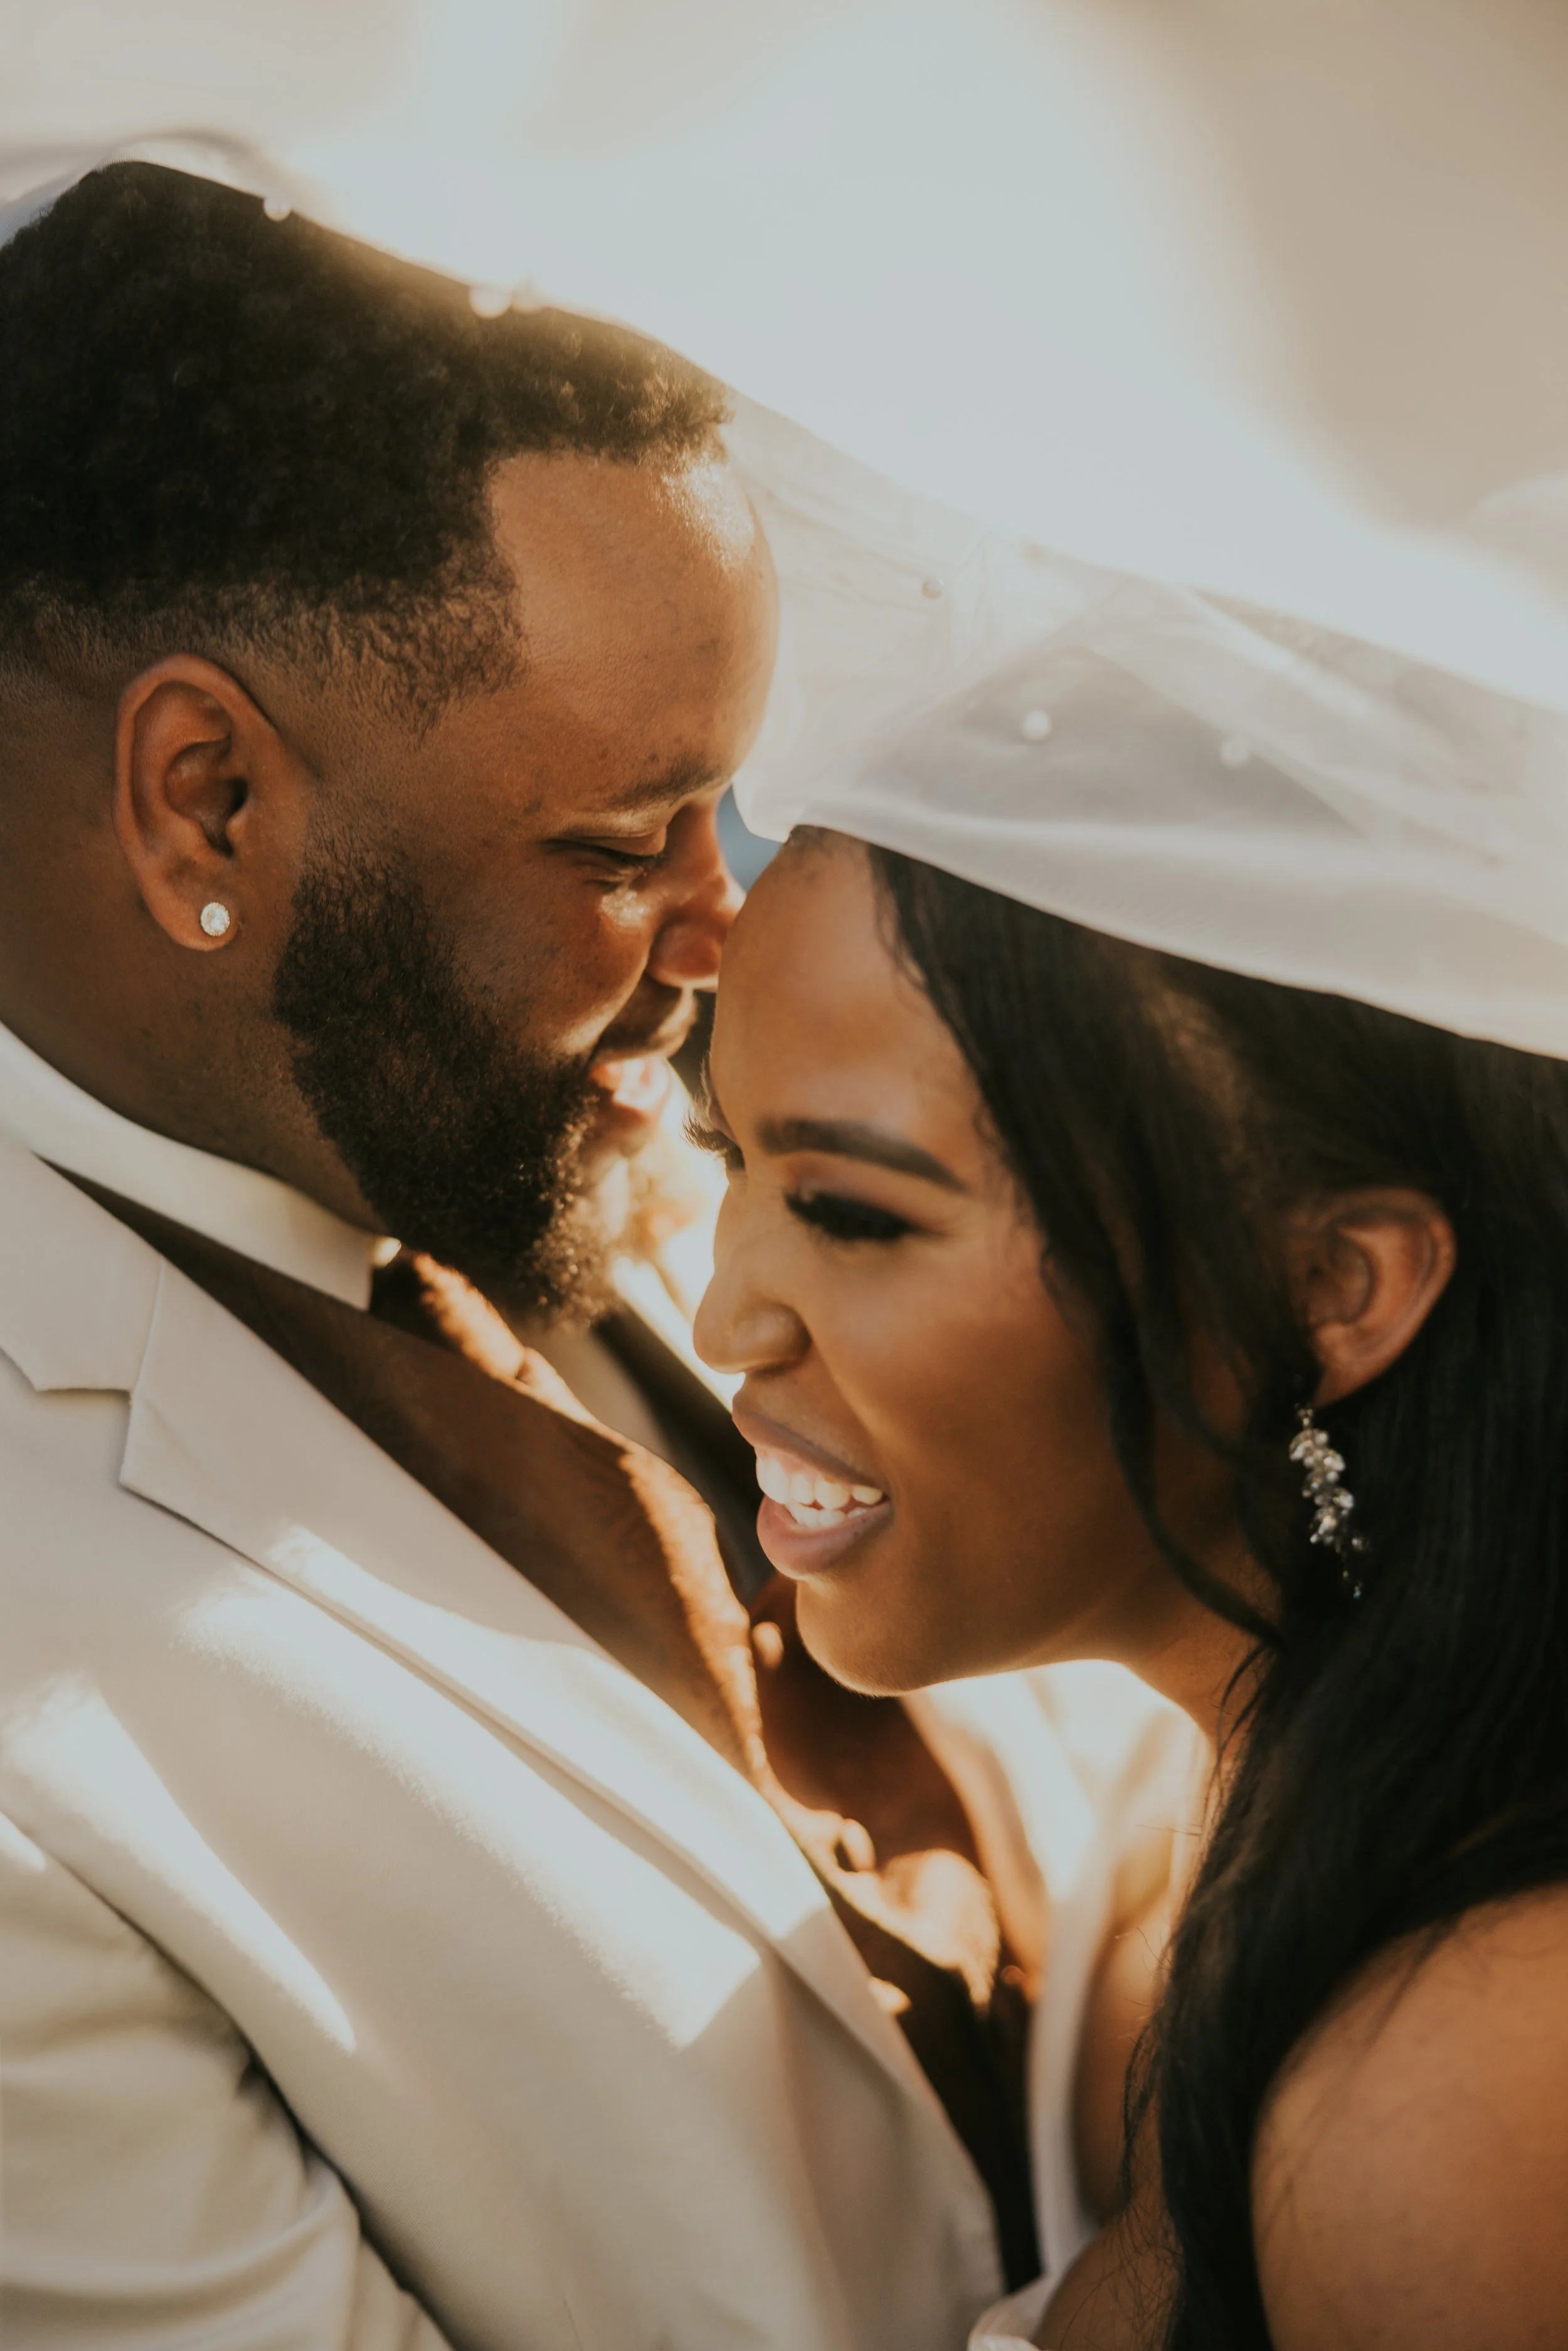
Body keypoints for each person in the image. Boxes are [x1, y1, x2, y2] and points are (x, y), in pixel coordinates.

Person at [0, 160, 1189, 2350]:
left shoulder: (522, 1117)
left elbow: (1073, 1763)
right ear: (208, 803)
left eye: (729, 814)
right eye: (627, 845)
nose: (720, 937)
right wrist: (1267, 2242)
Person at [695, 621, 1568, 2348]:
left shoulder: (1455, 2097)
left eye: (855, 1211)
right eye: (723, 1149)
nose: (725, 1312)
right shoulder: (1292, 1820)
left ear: (1332, 1287)